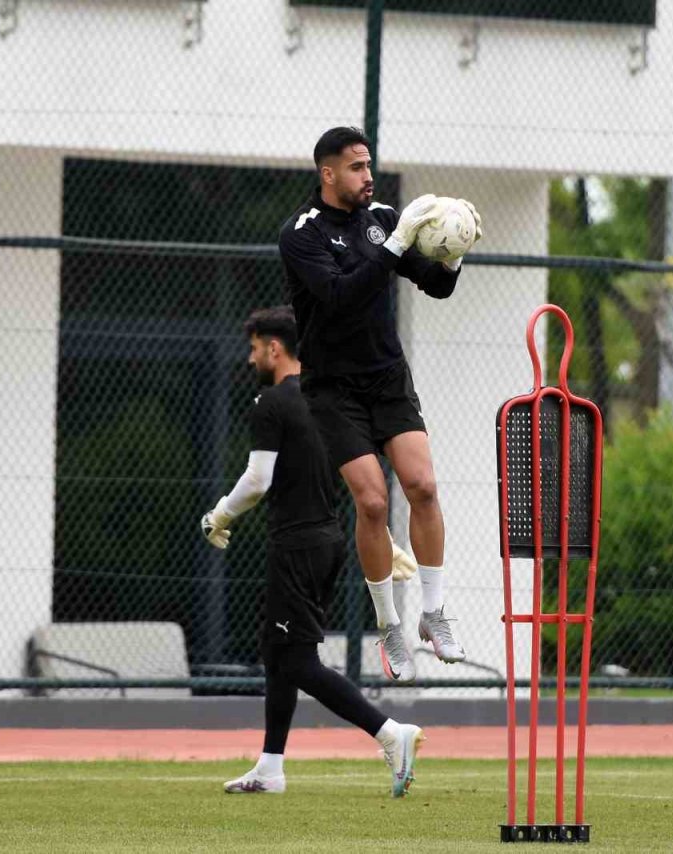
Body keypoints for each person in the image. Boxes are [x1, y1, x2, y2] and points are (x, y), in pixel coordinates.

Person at [277, 126, 481, 683]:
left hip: (387, 378)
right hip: (333, 389)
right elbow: (339, 297)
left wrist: (455, 251)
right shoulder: (302, 234)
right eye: (356, 167)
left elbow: (435, 286)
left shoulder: (384, 219)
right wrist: (394, 245)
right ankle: (390, 624)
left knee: (423, 487)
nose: (368, 176)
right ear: (327, 174)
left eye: (369, 165)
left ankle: (433, 614)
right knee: (372, 503)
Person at [201, 306, 425, 798]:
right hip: (327, 541)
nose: (251, 358)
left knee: (298, 660)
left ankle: (391, 733)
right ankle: (270, 768)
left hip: (297, 545)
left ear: (274, 348)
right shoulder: (330, 399)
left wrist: (219, 515)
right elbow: (358, 480)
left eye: (254, 349)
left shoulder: (272, 401)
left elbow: (257, 480)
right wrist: (385, 538)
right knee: (276, 653)